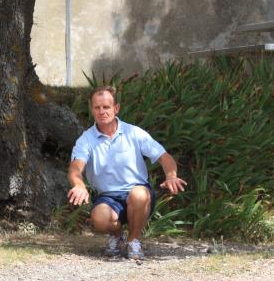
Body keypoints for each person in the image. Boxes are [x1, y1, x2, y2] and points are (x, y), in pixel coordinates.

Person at [67, 86, 187, 259]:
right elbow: (75, 168)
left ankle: (133, 241)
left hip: (138, 192)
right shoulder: (85, 139)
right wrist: (79, 185)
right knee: (99, 220)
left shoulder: (134, 133)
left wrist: (171, 176)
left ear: (116, 108)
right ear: (92, 109)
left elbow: (164, 157)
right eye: (97, 107)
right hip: (107, 197)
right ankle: (117, 236)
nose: (102, 111)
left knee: (138, 194)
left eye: (106, 107)